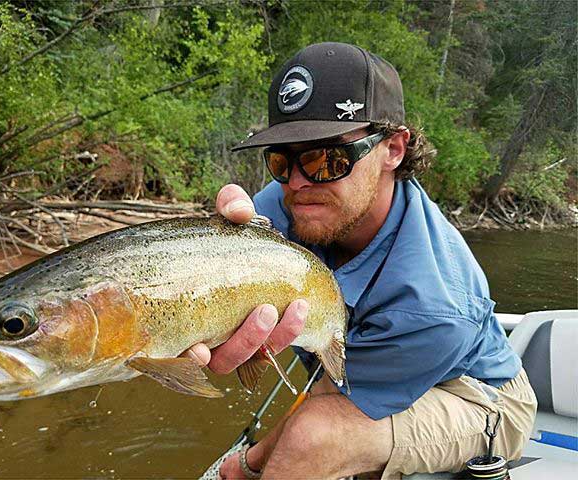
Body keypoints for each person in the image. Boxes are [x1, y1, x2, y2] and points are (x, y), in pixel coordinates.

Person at [184, 42, 537, 479]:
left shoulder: (433, 303)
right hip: (383, 364)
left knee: (316, 437)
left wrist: (242, 467)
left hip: (479, 397)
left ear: (393, 149)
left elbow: (333, 394)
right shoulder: (300, 198)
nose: (296, 184)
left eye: (326, 158)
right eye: (281, 160)